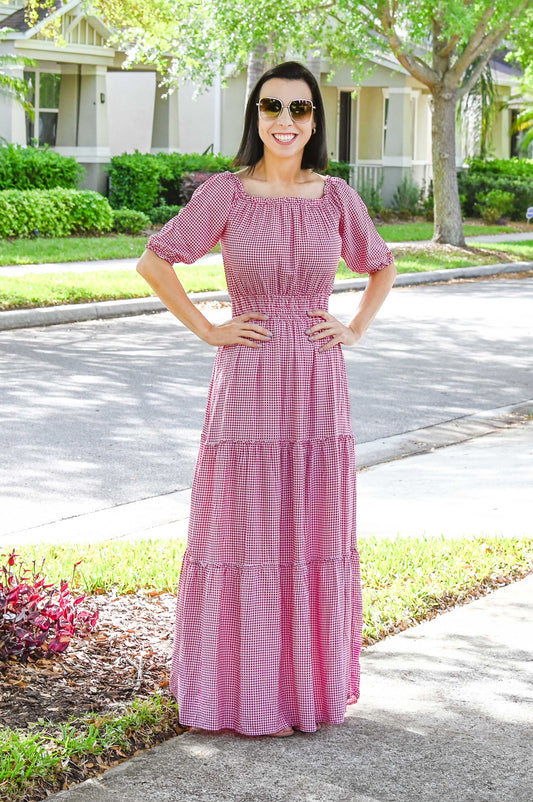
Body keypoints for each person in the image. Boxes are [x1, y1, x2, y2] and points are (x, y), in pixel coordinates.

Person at [136, 60, 396, 738]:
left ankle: (303, 691)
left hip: (317, 385)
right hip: (247, 381)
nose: (286, 121)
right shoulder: (226, 193)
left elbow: (381, 263)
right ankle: (235, 695)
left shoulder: (335, 197)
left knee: (311, 531)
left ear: (316, 121)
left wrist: (354, 326)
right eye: (272, 108)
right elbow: (155, 260)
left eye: (300, 110)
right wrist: (208, 328)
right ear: (255, 117)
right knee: (243, 533)